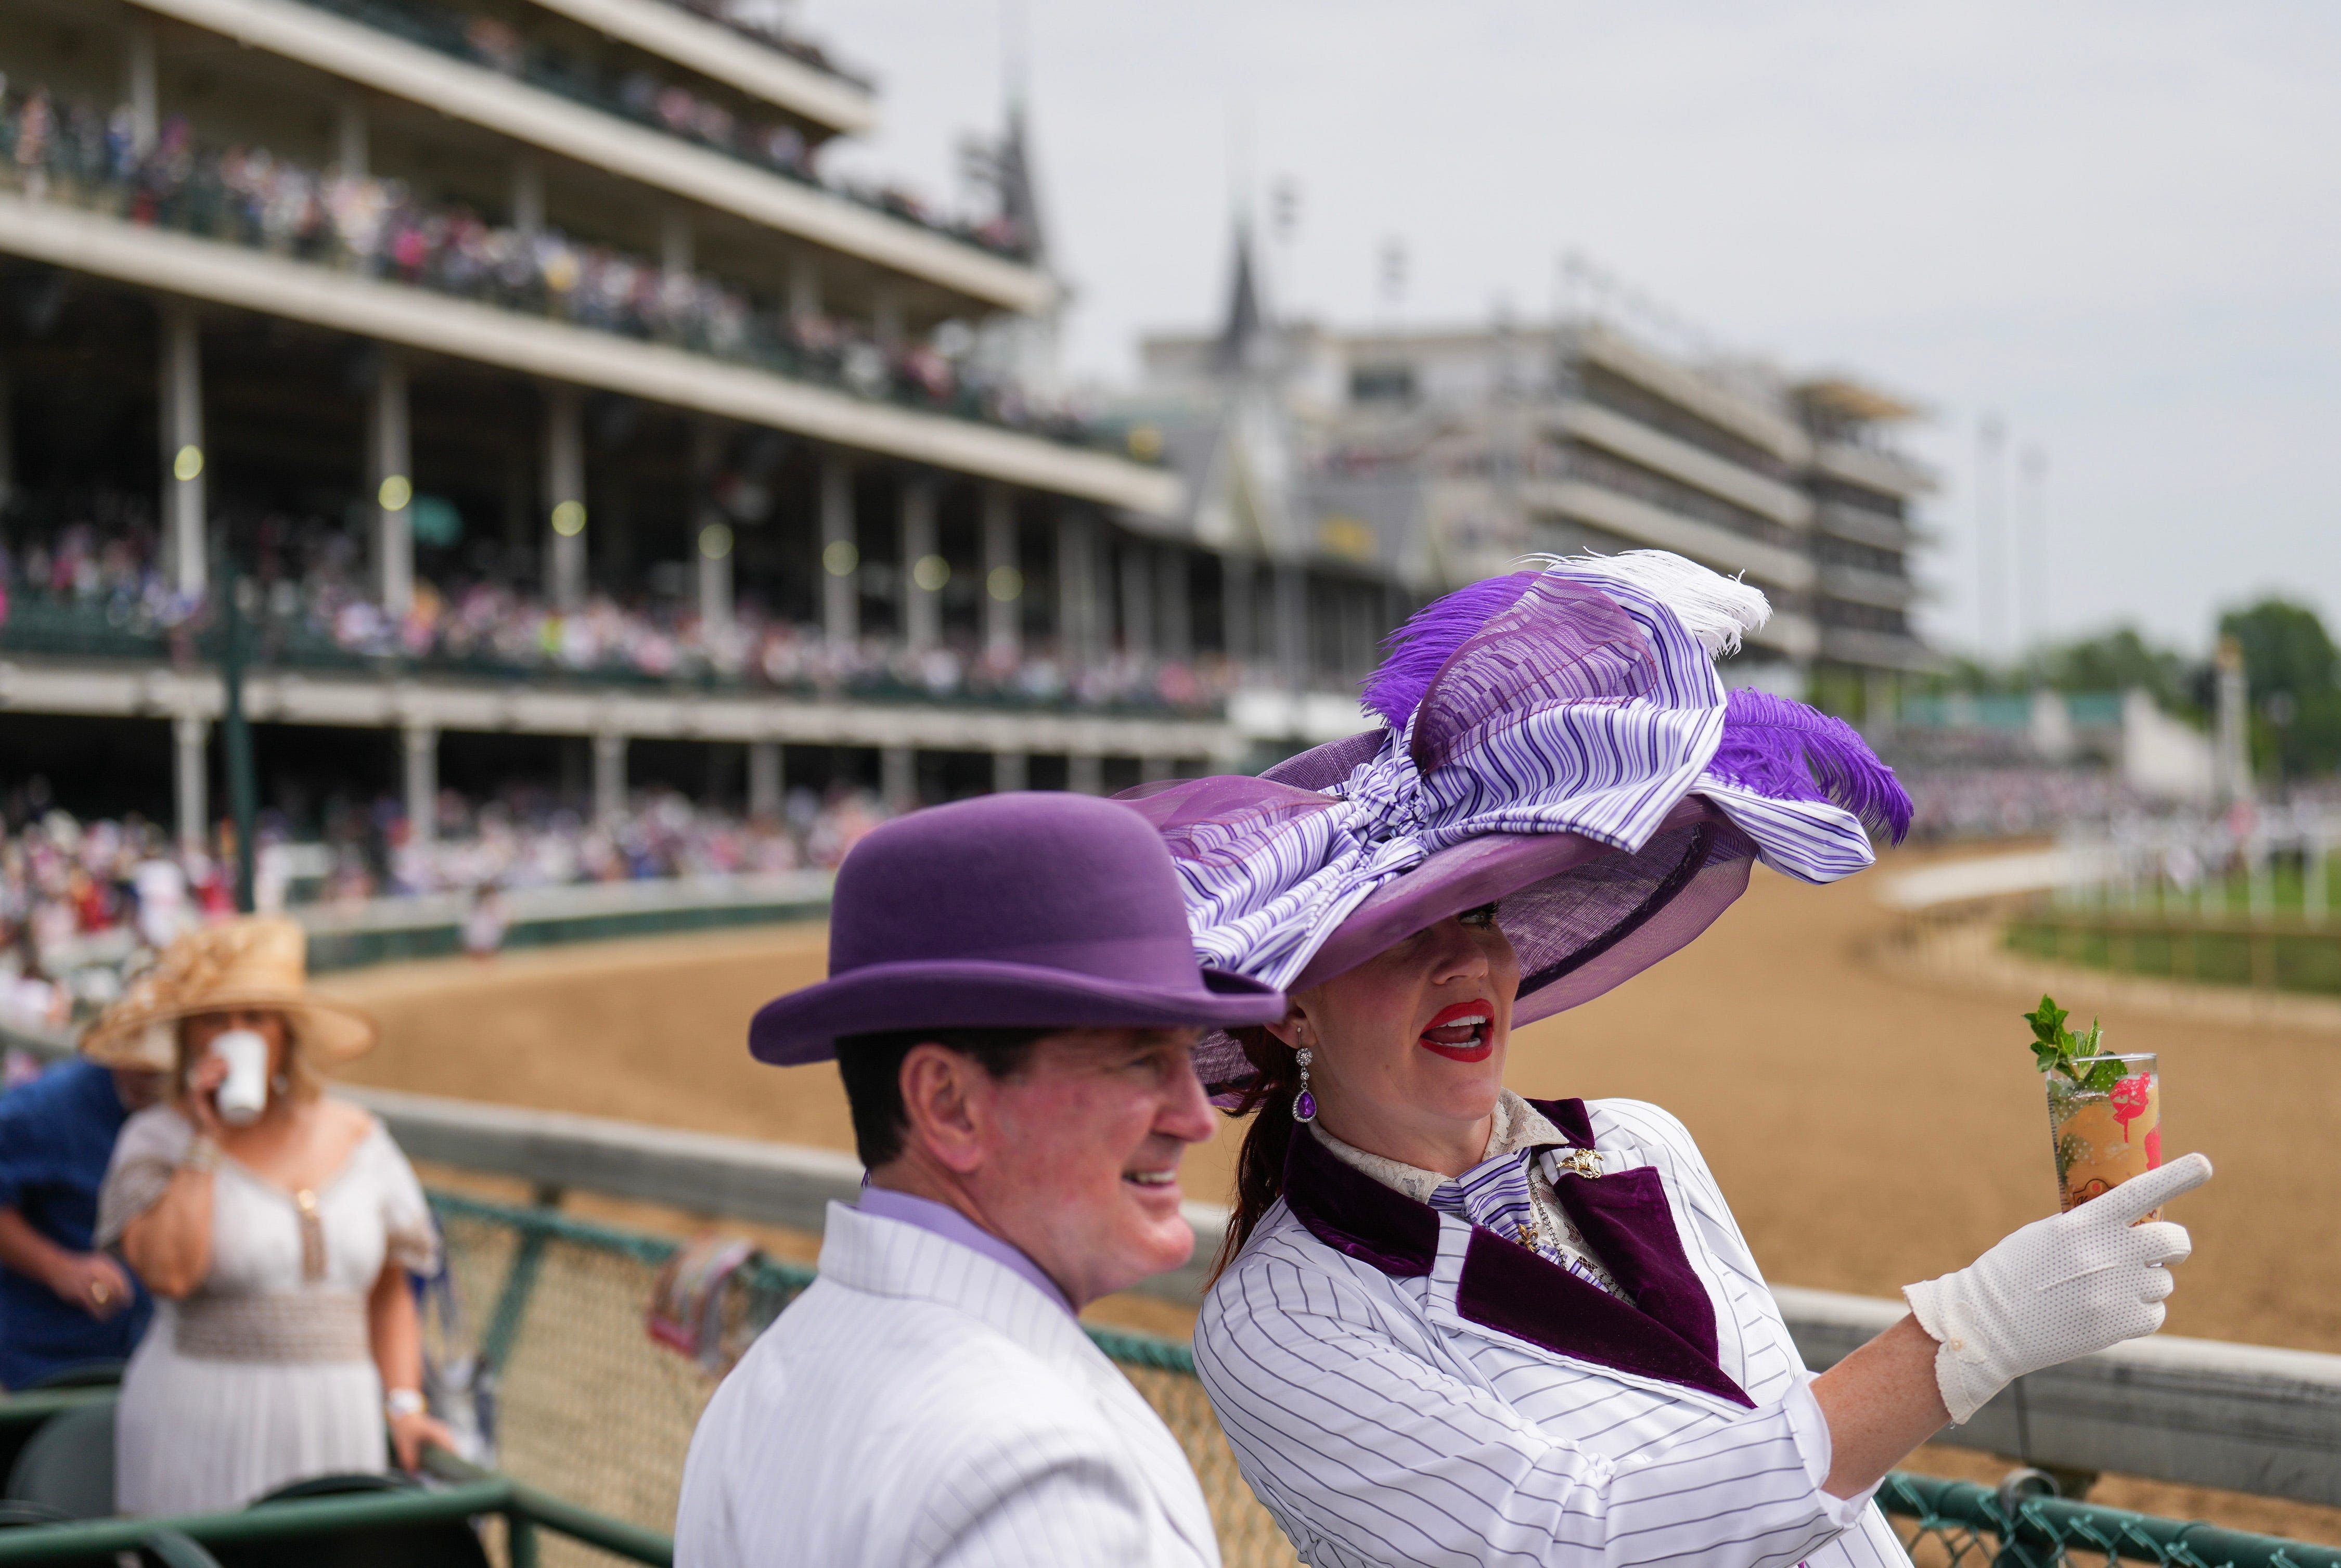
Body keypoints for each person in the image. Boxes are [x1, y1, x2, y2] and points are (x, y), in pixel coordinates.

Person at [1123, 552, 2211, 1568]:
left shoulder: (1646, 1141)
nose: (1467, 961)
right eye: (1404, 936)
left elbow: (1799, 1473)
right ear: (1290, 1013)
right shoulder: (1279, 1317)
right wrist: (1968, 1334)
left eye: (1485, 916)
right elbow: (1585, 1540)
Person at [675, 793, 1289, 1568]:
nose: (1196, 1117)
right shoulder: (1039, 1472)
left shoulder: (759, 1383)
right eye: (1141, 1059)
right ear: (948, 1103)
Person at [86, 916, 457, 1515]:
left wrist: (405, 1405)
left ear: (287, 1031)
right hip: (196, 1423)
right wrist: (204, 1140)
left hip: (338, 1423)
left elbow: (391, 1293)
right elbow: (170, 1272)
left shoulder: (362, 1139)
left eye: (255, 1017)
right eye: (216, 1019)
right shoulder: (155, 1140)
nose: (237, 1035)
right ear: (191, 1037)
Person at [0, 1049, 166, 1389]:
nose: (153, 1078)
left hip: (135, 1354)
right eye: (144, 1066)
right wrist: (59, 1267)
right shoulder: (48, 1107)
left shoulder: (185, 1112)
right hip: (47, 1357)